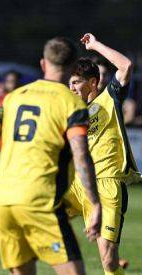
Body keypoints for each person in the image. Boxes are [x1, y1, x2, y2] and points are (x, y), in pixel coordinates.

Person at [0, 37, 102, 275]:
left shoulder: (14, 97)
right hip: (40, 203)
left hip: (4, 205)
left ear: (43, 64)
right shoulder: (72, 104)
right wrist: (94, 203)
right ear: (72, 66)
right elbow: (81, 155)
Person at [67, 33, 140, 275]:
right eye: (70, 83)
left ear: (93, 82)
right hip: (77, 185)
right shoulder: (71, 114)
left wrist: (95, 45)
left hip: (107, 186)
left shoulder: (109, 97)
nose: (72, 88)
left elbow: (126, 65)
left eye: (76, 82)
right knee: (26, 193)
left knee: (109, 262)